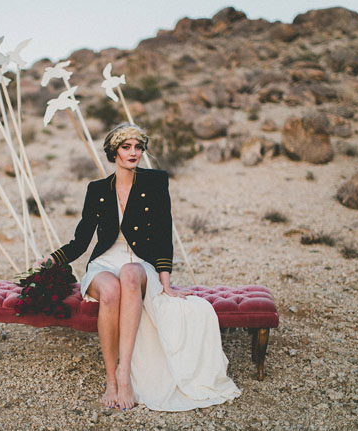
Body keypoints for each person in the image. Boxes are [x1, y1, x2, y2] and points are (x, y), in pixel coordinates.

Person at [39, 123, 240, 411]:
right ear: (114, 152)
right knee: (110, 290)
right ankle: (111, 379)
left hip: (140, 261)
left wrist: (166, 283)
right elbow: (80, 241)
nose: (134, 152)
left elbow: (163, 233)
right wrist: (51, 260)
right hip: (104, 261)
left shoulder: (155, 182)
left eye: (138, 147)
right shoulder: (97, 189)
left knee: (130, 274)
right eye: (126, 147)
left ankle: (125, 375)